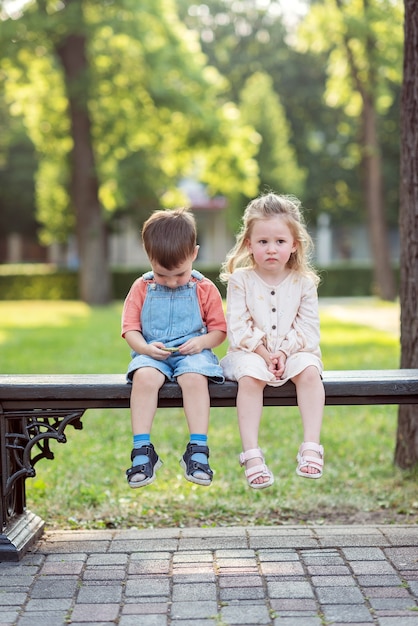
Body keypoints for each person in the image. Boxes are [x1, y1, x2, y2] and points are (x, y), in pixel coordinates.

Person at [220, 192, 325, 489]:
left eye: (280, 242)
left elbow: (308, 330)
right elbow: (238, 328)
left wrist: (284, 351)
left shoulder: (304, 283)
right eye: (263, 242)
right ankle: (252, 454)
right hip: (249, 352)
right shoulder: (241, 280)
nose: (271, 249)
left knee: (309, 369)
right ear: (249, 244)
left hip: (295, 350)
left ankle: (311, 446)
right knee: (251, 376)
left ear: (294, 245)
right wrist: (266, 354)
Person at [122, 207, 226, 488]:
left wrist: (201, 343)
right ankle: (142, 450)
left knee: (194, 378)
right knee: (144, 377)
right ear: (149, 258)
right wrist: (143, 348)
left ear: (194, 253)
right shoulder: (142, 287)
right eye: (161, 274)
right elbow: (129, 329)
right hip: (153, 354)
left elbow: (219, 331)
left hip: (193, 353)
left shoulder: (204, 288)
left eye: (179, 274)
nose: (170, 282)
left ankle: (198, 449)